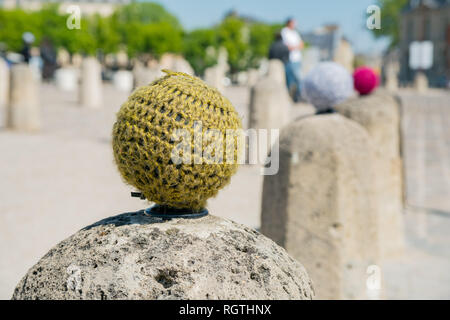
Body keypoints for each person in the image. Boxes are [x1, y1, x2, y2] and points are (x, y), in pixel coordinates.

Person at [281, 18, 304, 102]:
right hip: (289, 59)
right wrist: (296, 47)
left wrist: (294, 47)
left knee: (298, 79)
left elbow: (301, 45)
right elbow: (287, 46)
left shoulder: (295, 33)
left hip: (297, 58)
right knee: (291, 80)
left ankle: (297, 97)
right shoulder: (284, 31)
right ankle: (291, 97)